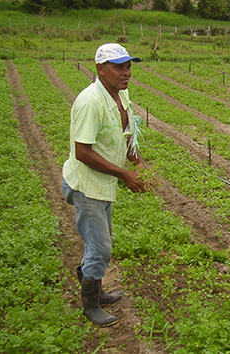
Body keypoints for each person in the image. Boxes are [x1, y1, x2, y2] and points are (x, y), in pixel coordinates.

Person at [61, 43, 145, 327]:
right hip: (87, 186)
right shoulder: (89, 102)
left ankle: (95, 287)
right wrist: (125, 175)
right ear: (100, 69)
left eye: (129, 66)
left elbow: (125, 133)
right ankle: (91, 305)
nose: (126, 72)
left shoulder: (121, 95)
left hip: (104, 182)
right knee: (101, 248)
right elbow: (82, 152)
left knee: (99, 240)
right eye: (119, 66)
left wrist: (138, 161)